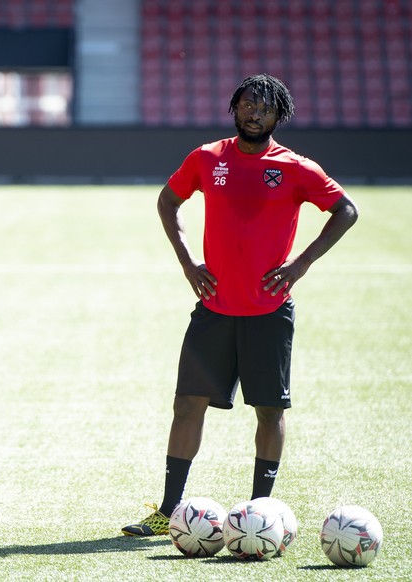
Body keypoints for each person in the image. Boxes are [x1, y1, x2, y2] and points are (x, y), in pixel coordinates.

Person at [122, 74, 359, 537]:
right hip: (214, 308)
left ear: (278, 116)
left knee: (270, 411)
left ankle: (261, 512)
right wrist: (189, 261)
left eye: (265, 108)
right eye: (248, 104)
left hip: (269, 312)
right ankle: (169, 509)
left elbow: (346, 210)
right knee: (187, 404)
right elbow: (168, 200)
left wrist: (300, 265)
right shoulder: (208, 157)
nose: (255, 113)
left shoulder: (294, 167)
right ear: (235, 108)